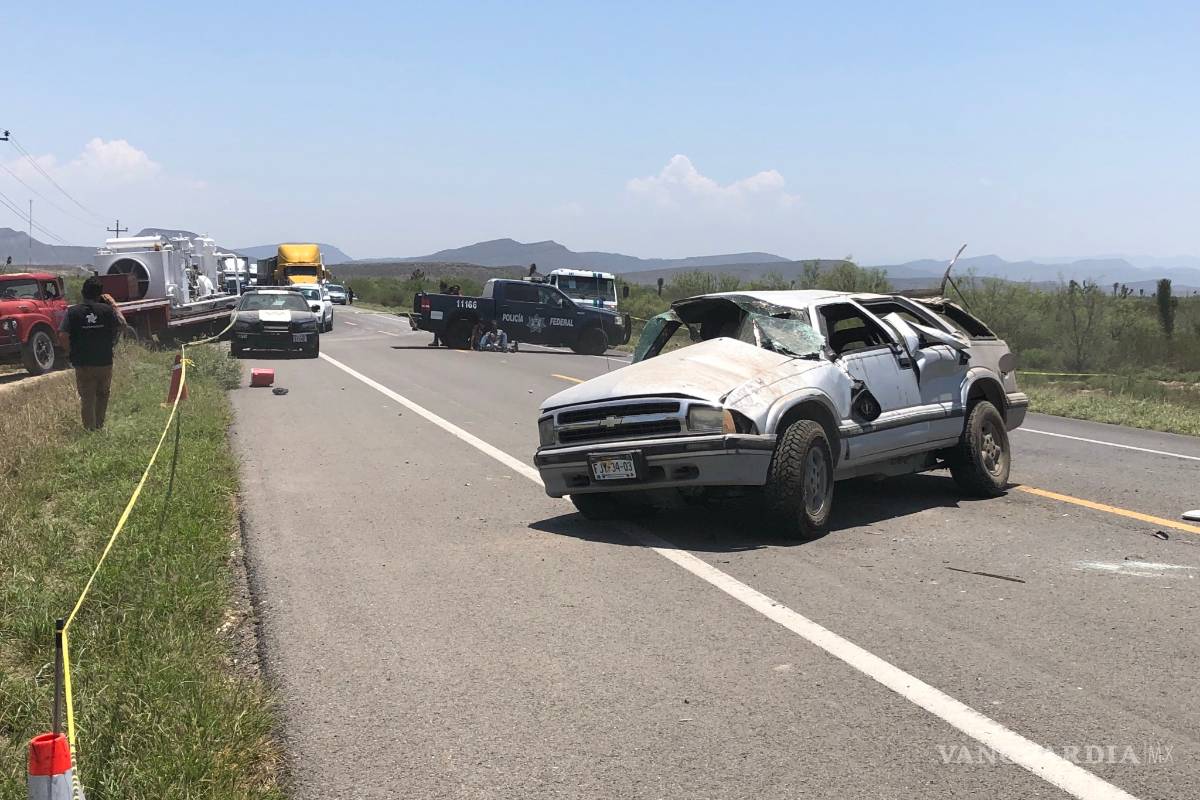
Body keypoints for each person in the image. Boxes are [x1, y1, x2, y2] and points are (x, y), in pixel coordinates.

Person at [58, 276, 127, 431]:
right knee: (103, 394)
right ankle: (99, 426)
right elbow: (123, 325)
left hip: (83, 363)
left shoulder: (72, 312)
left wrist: (70, 352)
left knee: (87, 397)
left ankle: (90, 430)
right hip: (104, 361)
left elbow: (62, 335)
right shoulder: (107, 311)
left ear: (82, 292)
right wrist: (113, 305)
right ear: (99, 295)